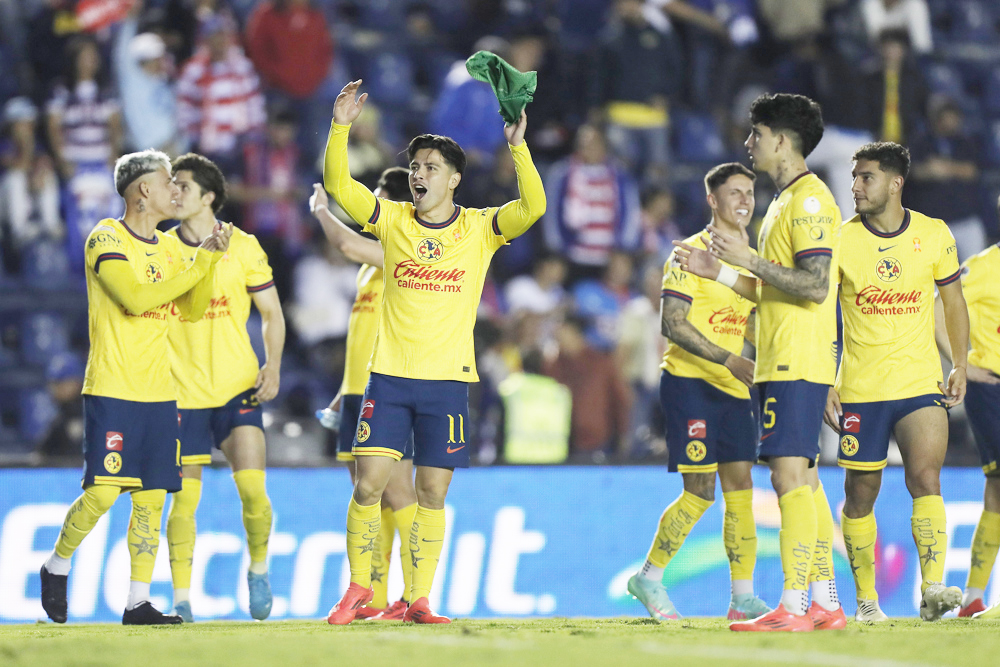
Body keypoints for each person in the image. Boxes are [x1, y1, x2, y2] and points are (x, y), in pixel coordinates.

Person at [322, 79, 545, 624]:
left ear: (453, 180)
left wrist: (518, 147)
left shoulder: (479, 228)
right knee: (369, 484)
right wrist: (340, 127)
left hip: (447, 380)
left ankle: (417, 598)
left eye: (430, 167)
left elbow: (533, 206)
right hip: (391, 377)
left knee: (431, 492)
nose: (419, 173)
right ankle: (358, 588)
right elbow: (339, 185)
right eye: (415, 166)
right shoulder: (393, 219)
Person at [673, 93, 845, 631]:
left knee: (790, 478)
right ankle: (826, 602)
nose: (749, 143)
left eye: (756, 133)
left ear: (781, 139)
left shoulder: (811, 202)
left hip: (796, 356)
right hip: (781, 356)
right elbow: (772, 289)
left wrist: (745, 258)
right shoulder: (784, 203)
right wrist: (717, 272)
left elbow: (815, 287)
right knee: (806, 480)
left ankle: (794, 606)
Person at [38, 149, 231, 625]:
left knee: (151, 499)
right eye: (170, 182)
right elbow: (136, 298)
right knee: (104, 493)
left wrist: (207, 261)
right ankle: (56, 564)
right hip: (113, 385)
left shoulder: (170, 248)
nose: (176, 190)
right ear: (143, 189)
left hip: (160, 392)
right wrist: (195, 266)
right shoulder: (105, 237)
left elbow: (190, 309)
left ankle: (137, 601)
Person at [824, 142, 968, 623]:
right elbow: (822, 316)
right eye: (855, 177)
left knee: (926, 479)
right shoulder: (841, 240)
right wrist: (826, 379)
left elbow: (953, 303)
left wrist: (960, 363)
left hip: (919, 381)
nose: (855, 186)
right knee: (860, 496)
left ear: (894, 183)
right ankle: (867, 602)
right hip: (862, 388)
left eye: (866, 177)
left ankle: (931, 591)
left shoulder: (934, 233)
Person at [627, 162, 769, 621]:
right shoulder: (688, 254)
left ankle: (742, 598)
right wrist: (731, 358)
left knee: (742, 488)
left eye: (749, 191)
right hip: (690, 383)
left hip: (733, 387)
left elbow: (744, 322)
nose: (745, 200)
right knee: (701, 491)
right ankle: (648, 577)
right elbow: (673, 324)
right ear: (712, 200)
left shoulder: (749, 259)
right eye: (734, 193)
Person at [164, 153, 285, 623]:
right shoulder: (162, 248)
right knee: (184, 502)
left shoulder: (244, 245)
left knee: (254, 492)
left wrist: (272, 365)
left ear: (209, 196)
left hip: (237, 386)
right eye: (171, 185)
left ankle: (258, 570)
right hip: (181, 392)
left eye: (183, 187)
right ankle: (180, 600)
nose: (173, 193)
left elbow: (273, 314)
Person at [310, 167, 421, 621]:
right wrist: (343, 392)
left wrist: (321, 209)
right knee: (364, 495)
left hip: (391, 389)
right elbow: (362, 336)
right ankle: (374, 595)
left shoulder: (401, 249)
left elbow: (343, 242)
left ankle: (415, 594)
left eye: (377, 197)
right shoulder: (367, 270)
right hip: (358, 392)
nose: (368, 207)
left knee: (398, 493)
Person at [939, 199, 1000, 619]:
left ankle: (974, 597)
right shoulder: (982, 268)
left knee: (996, 493)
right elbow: (935, 308)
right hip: (992, 387)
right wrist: (964, 365)